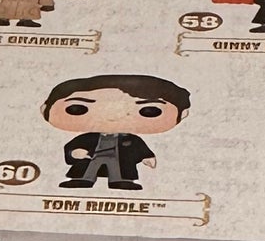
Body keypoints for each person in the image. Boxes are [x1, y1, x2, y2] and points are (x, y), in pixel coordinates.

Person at [42, 74, 190, 191]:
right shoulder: (88, 138)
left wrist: (147, 156)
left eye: (149, 110)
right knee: (88, 167)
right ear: (44, 110)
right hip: (93, 156)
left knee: (118, 169)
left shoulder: (131, 139)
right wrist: (74, 153)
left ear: (183, 114)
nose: (113, 117)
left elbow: (139, 147)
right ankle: (82, 180)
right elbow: (72, 147)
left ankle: (121, 181)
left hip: (118, 158)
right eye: (77, 108)